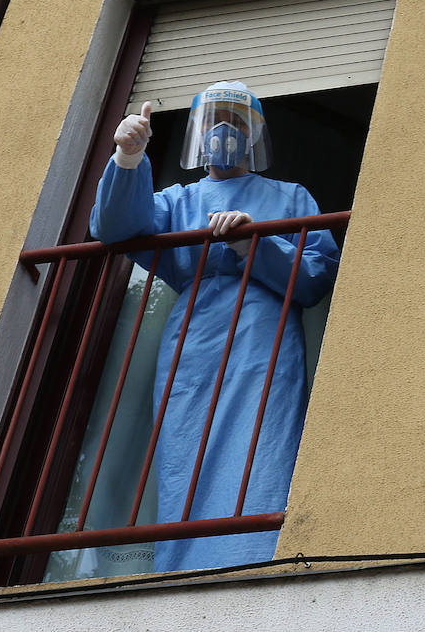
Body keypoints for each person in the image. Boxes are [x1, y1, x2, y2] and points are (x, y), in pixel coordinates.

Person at [91, 80, 339, 571]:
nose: (223, 131)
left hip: (262, 338)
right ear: (196, 134)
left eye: (236, 122)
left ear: (255, 136)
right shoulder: (178, 200)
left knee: (262, 439)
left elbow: (315, 275)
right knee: (186, 443)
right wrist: (127, 157)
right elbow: (114, 226)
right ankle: (184, 562)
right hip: (193, 343)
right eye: (212, 122)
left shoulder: (290, 197)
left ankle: (252, 553)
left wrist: (254, 244)